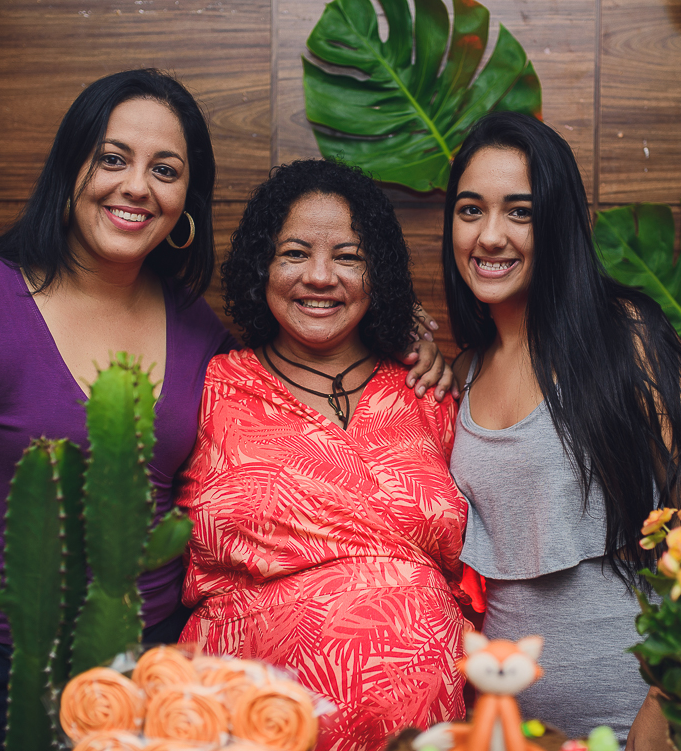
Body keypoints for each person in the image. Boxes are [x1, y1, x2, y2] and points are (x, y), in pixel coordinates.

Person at [0, 69, 451, 751]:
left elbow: (294, 400)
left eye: (164, 169)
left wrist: (407, 330)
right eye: (113, 158)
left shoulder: (199, 333)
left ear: (185, 202)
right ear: (70, 168)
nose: (136, 186)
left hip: (152, 681)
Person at [441, 112, 681, 749]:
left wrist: (659, 718)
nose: (490, 236)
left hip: (646, 726)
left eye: (520, 211)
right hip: (518, 732)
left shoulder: (628, 337)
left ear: (560, 222)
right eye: (470, 211)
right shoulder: (461, 373)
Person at [178, 159, 470, 751]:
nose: (320, 276)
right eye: (294, 253)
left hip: (427, 727)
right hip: (249, 724)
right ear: (262, 265)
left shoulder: (427, 391)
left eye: (348, 257)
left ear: (377, 271)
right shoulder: (209, 388)